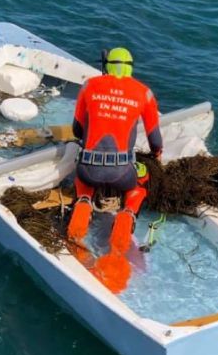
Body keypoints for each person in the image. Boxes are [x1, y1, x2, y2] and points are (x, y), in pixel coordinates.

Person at [67, 47, 163, 267]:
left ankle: (83, 203)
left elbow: (77, 130)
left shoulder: (89, 86)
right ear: (130, 68)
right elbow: (155, 141)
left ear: (107, 65)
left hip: (88, 169)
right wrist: (156, 156)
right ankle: (127, 214)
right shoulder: (144, 93)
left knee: (83, 178)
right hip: (122, 173)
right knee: (140, 180)